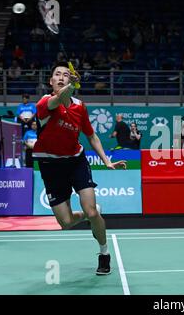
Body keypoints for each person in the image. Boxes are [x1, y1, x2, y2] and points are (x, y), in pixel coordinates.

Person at [33, 61, 126, 275]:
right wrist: (71, 86)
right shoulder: (45, 103)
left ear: (70, 79)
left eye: (66, 74)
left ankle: (104, 254)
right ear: (51, 81)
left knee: (91, 211)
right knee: (65, 222)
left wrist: (106, 161)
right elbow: (58, 99)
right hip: (50, 165)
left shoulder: (80, 107)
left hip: (76, 160)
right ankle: (86, 216)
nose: (61, 77)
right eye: (57, 74)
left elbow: (91, 135)